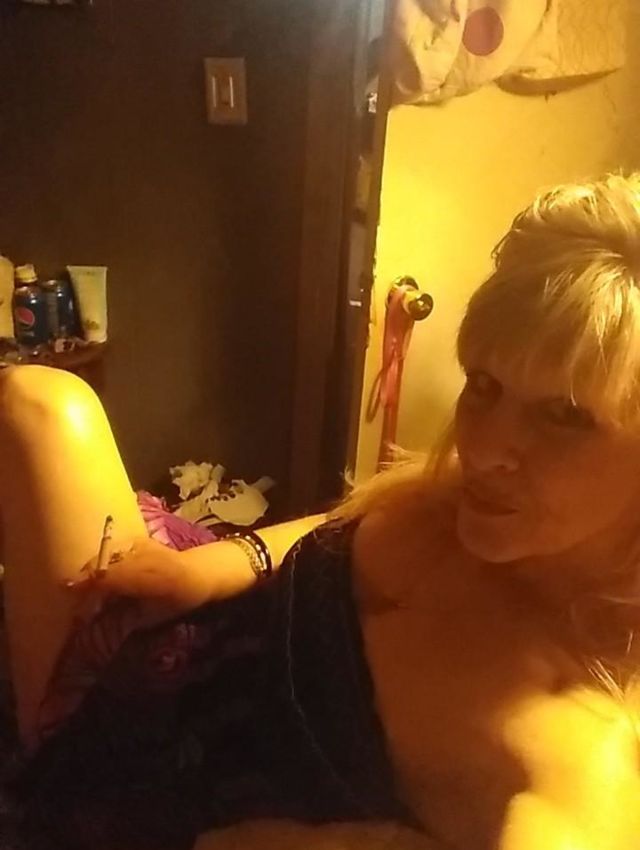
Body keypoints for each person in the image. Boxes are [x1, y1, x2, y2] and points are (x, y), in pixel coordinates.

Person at [2, 172, 640, 850]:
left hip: (116, 786)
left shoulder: (582, 746)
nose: (482, 450)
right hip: (168, 640)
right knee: (37, 402)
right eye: (484, 385)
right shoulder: (497, 510)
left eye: (564, 416)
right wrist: (212, 568)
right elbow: (340, 530)